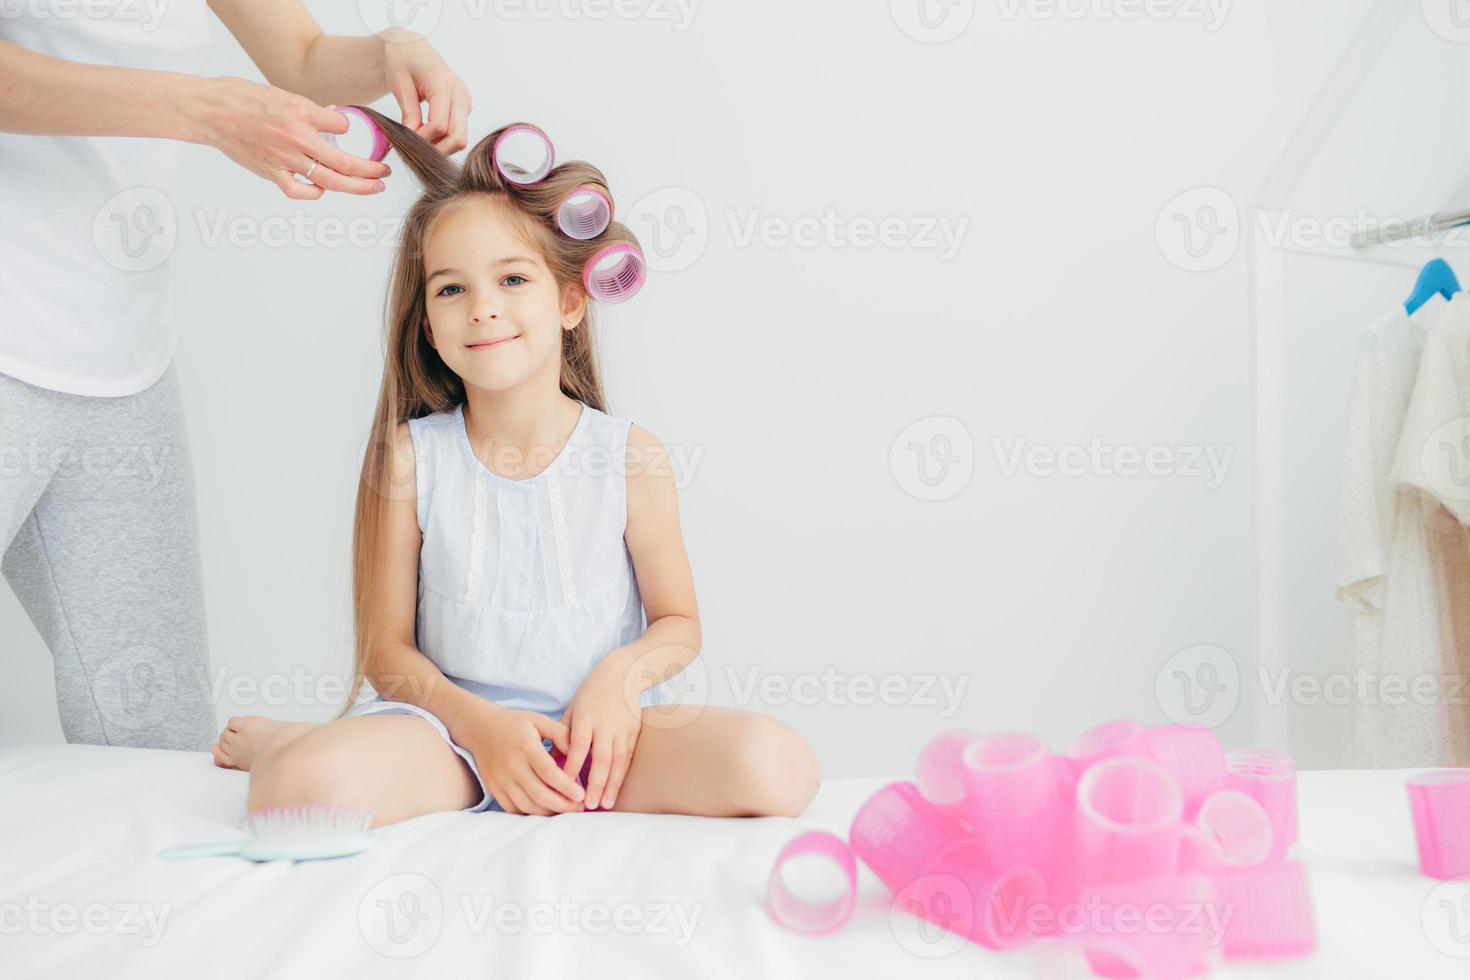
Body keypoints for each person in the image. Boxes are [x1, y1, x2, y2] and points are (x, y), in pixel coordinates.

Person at [209, 108, 822, 821]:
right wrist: (482, 728)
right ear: (428, 327)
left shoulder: (630, 457)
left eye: (512, 280)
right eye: (451, 289)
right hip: (451, 740)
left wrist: (621, 680)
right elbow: (388, 654)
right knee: (297, 794)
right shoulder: (412, 460)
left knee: (777, 769)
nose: (483, 309)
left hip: (602, 737)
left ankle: (327, 744)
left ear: (567, 300)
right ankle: (293, 742)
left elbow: (678, 623)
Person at [0, 1, 470, 750]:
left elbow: (302, 58)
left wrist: (390, 51)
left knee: (154, 736)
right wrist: (205, 107)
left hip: (123, 364)